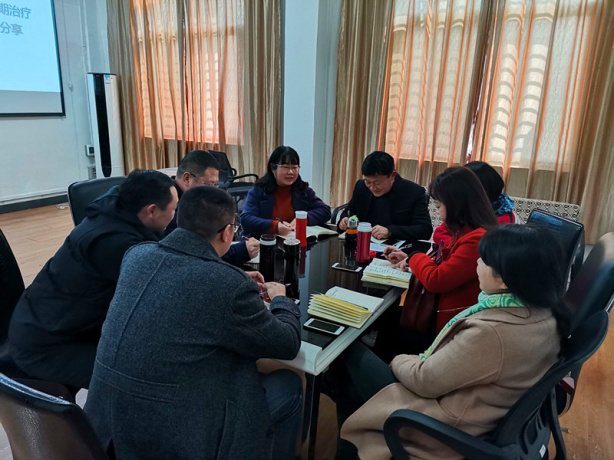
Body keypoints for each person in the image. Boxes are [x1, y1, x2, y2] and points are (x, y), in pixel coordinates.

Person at [85, 186, 303, 460]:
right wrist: (281, 299)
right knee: (288, 385)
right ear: (227, 232)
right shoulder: (227, 286)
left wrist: (231, 275)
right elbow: (287, 344)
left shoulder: (136, 256)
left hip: (104, 428)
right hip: (172, 438)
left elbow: (179, 281)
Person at [330, 224, 570, 459]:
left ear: (506, 280)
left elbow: (425, 380)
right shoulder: (545, 312)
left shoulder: (493, 332)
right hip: (475, 410)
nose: (477, 262)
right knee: (350, 380)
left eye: (484, 260)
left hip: (441, 423)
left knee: (344, 351)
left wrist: (398, 359)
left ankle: (350, 448)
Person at [8, 170, 178, 389]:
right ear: (151, 211)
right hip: (45, 346)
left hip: (57, 325)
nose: (175, 215)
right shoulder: (117, 246)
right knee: (139, 379)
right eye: (173, 209)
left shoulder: (116, 211)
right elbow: (162, 293)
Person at [376, 167, 499, 360]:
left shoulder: (476, 239)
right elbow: (447, 266)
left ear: (457, 205)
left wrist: (415, 256)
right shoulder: (465, 231)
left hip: (450, 328)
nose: (439, 214)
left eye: (439, 206)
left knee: (387, 328)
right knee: (386, 320)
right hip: (441, 315)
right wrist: (409, 260)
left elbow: (436, 280)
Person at [165, 149, 259, 265]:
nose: (214, 191)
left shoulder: (189, 200)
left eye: (216, 185)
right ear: (187, 179)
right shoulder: (171, 210)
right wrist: (241, 251)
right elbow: (194, 258)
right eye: (209, 185)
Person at [338, 151, 432, 241]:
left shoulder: (413, 192)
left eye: (377, 183)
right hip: (363, 243)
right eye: (368, 181)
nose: (372, 187)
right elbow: (349, 212)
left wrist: (390, 231)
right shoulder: (361, 186)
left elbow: (425, 229)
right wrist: (344, 220)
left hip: (396, 248)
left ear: (392, 176)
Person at [240, 146, 331, 239]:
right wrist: (274, 226)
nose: (290, 172)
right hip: (263, 242)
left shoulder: (303, 190)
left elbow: (325, 211)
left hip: (293, 243)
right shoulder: (258, 191)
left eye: (294, 167)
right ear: (273, 168)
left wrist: (304, 219)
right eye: (286, 167)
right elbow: (246, 219)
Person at [433, 161, 516, 247]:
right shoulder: (468, 209)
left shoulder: (502, 220)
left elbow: (476, 245)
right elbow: (440, 232)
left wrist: (457, 245)